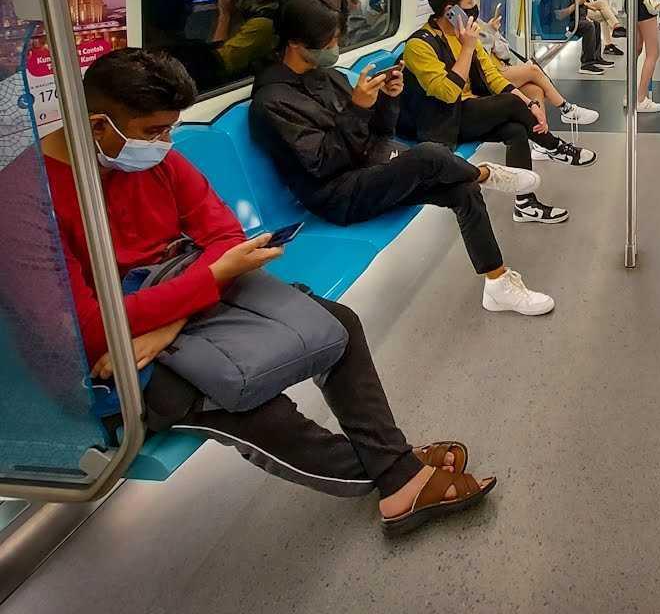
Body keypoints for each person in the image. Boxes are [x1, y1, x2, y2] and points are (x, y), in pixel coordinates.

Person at [46, 49, 497, 534]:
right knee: (241, 399)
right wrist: (210, 280)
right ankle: (397, 472)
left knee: (337, 324)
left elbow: (224, 234)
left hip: (172, 303)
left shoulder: (155, 160)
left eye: (169, 130)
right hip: (121, 355)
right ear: (97, 127)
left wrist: (175, 315)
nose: (165, 143)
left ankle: (396, 470)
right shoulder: (31, 200)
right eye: (153, 132)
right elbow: (90, 330)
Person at [250, 0, 556, 314]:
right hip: (337, 194)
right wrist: (357, 109)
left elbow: (380, 133)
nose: (333, 49)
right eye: (328, 42)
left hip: (369, 166)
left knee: (462, 190)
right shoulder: (273, 103)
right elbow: (324, 164)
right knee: (429, 155)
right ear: (297, 43)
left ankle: (497, 283)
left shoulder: (329, 77)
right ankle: (486, 174)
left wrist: (386, 100)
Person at [398, 0, 596, 222]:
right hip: (440, 121)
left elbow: (492, 76)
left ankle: (525, 204)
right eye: (470, 2)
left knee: (515, 130)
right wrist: (467, 48)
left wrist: (531, 105)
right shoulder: (420, 45)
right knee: (512, 103)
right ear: (451, 10)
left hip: (466, 111)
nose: (474, 8)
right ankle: (554, 146)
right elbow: (448, 94)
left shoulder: (467, 34)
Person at [461, 0, 599, 126]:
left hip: (501, 68)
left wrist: (494, 32)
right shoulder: (464, 33)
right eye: (470, 1)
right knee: (533, 70)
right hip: (487, 77)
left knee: (535, 90)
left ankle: (542, 142)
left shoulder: (479, 24)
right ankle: (566, 108)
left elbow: (504, 52)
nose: (474, 4)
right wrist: (490, 35)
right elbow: (482, 57)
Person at [545, 0, 615, 75]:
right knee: (589, 26)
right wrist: (577, 4)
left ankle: (595, 57)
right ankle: (586, 63)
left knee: (595, 23)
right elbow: (558, 16)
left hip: (573, 19)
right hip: (561, 24)